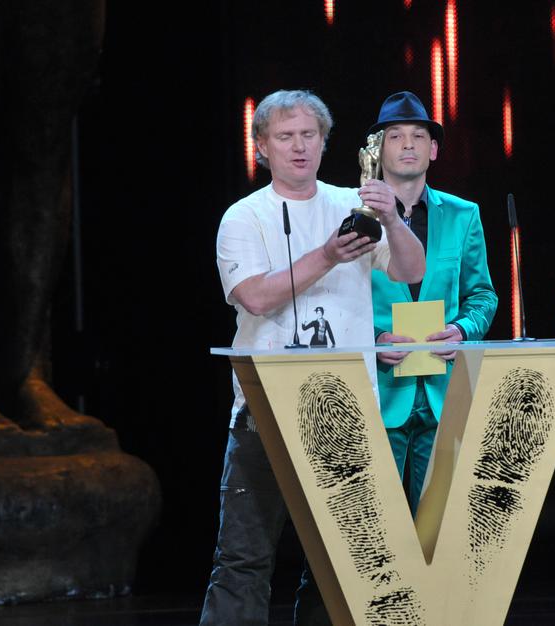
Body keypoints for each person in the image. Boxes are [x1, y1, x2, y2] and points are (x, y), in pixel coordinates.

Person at [199, 89, 425, 626]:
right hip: (266, 414)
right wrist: (326, 255)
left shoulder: (353, 205)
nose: (298, 147)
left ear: (324, 143)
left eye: (309, 135)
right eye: (285, 137)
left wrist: (393, 221)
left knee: (345, 566)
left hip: (346, 412)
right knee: (244, 561)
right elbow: (256, 297)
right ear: (261, 147)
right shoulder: (243, 217)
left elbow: (411, 271)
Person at [370, 91, 498, 515]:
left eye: (419, 136)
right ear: (378, 150)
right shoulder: (354, 217)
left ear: (434, 149)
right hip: (379, 391)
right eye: (395, 136)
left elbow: (482, 295)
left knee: (437, 528)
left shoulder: (463, 215)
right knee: (379, 525)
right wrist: (374, 338)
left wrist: (461, 330)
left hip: (444, 392)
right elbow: (334, 305)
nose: (408, 144)